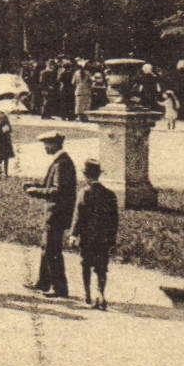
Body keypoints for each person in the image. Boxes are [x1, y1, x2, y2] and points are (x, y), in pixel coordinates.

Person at [23, 130, 76, 299]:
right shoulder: (60, 162)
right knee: (47, 247)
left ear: (54, 144)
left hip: (57, 213)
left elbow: (57, 191)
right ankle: (43, 282)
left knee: (52, 249)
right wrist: (35, 185)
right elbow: (52, 186)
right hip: (55, 213)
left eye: (46, 144)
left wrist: (36, 191)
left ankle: (60, 288)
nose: (45, 148)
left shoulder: (62, 164)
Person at [72, 158, 119, 310]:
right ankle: (101, 293)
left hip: (87, 237)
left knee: (86, 265)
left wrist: (73, 235)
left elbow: (78, 216)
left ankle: (87, 295)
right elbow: (114, 219)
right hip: (104, 238)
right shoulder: (110, 194)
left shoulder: (84, 193)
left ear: (86, 176)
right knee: (101, 267)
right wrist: (112, 238)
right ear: (99, 175)